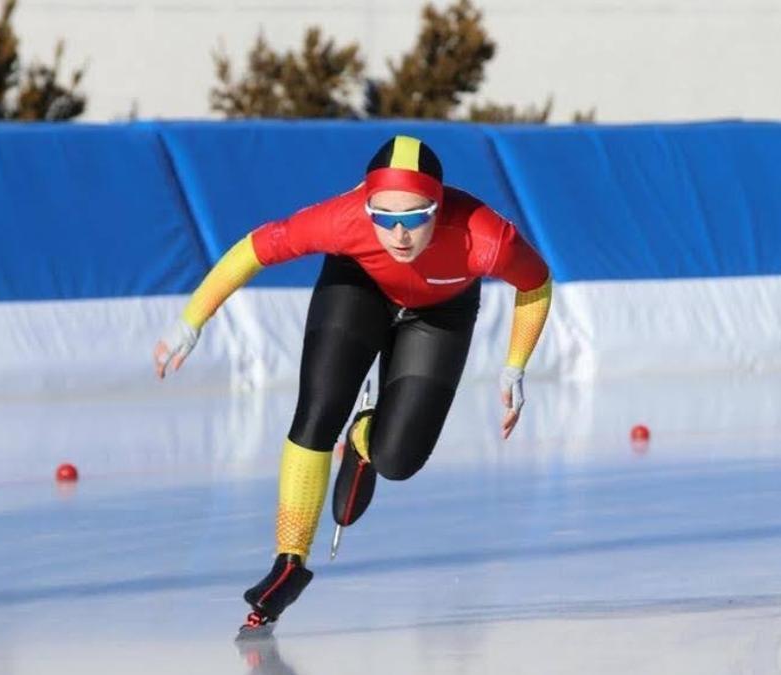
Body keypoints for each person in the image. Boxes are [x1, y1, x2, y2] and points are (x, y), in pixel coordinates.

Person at [152, 135, 552, 636]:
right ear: (365, 205)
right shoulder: (343, 220)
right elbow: (252, 250)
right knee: (318, 411)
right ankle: (289, 562)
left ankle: (363, 441)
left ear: (441, 205)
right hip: (356, 286)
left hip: (440, 310)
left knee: (399, 461)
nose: (400, 234)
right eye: (383, 217)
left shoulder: (488, 237)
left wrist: (515, 365)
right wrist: (191, 321)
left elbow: (535, 283)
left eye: (416, 216)